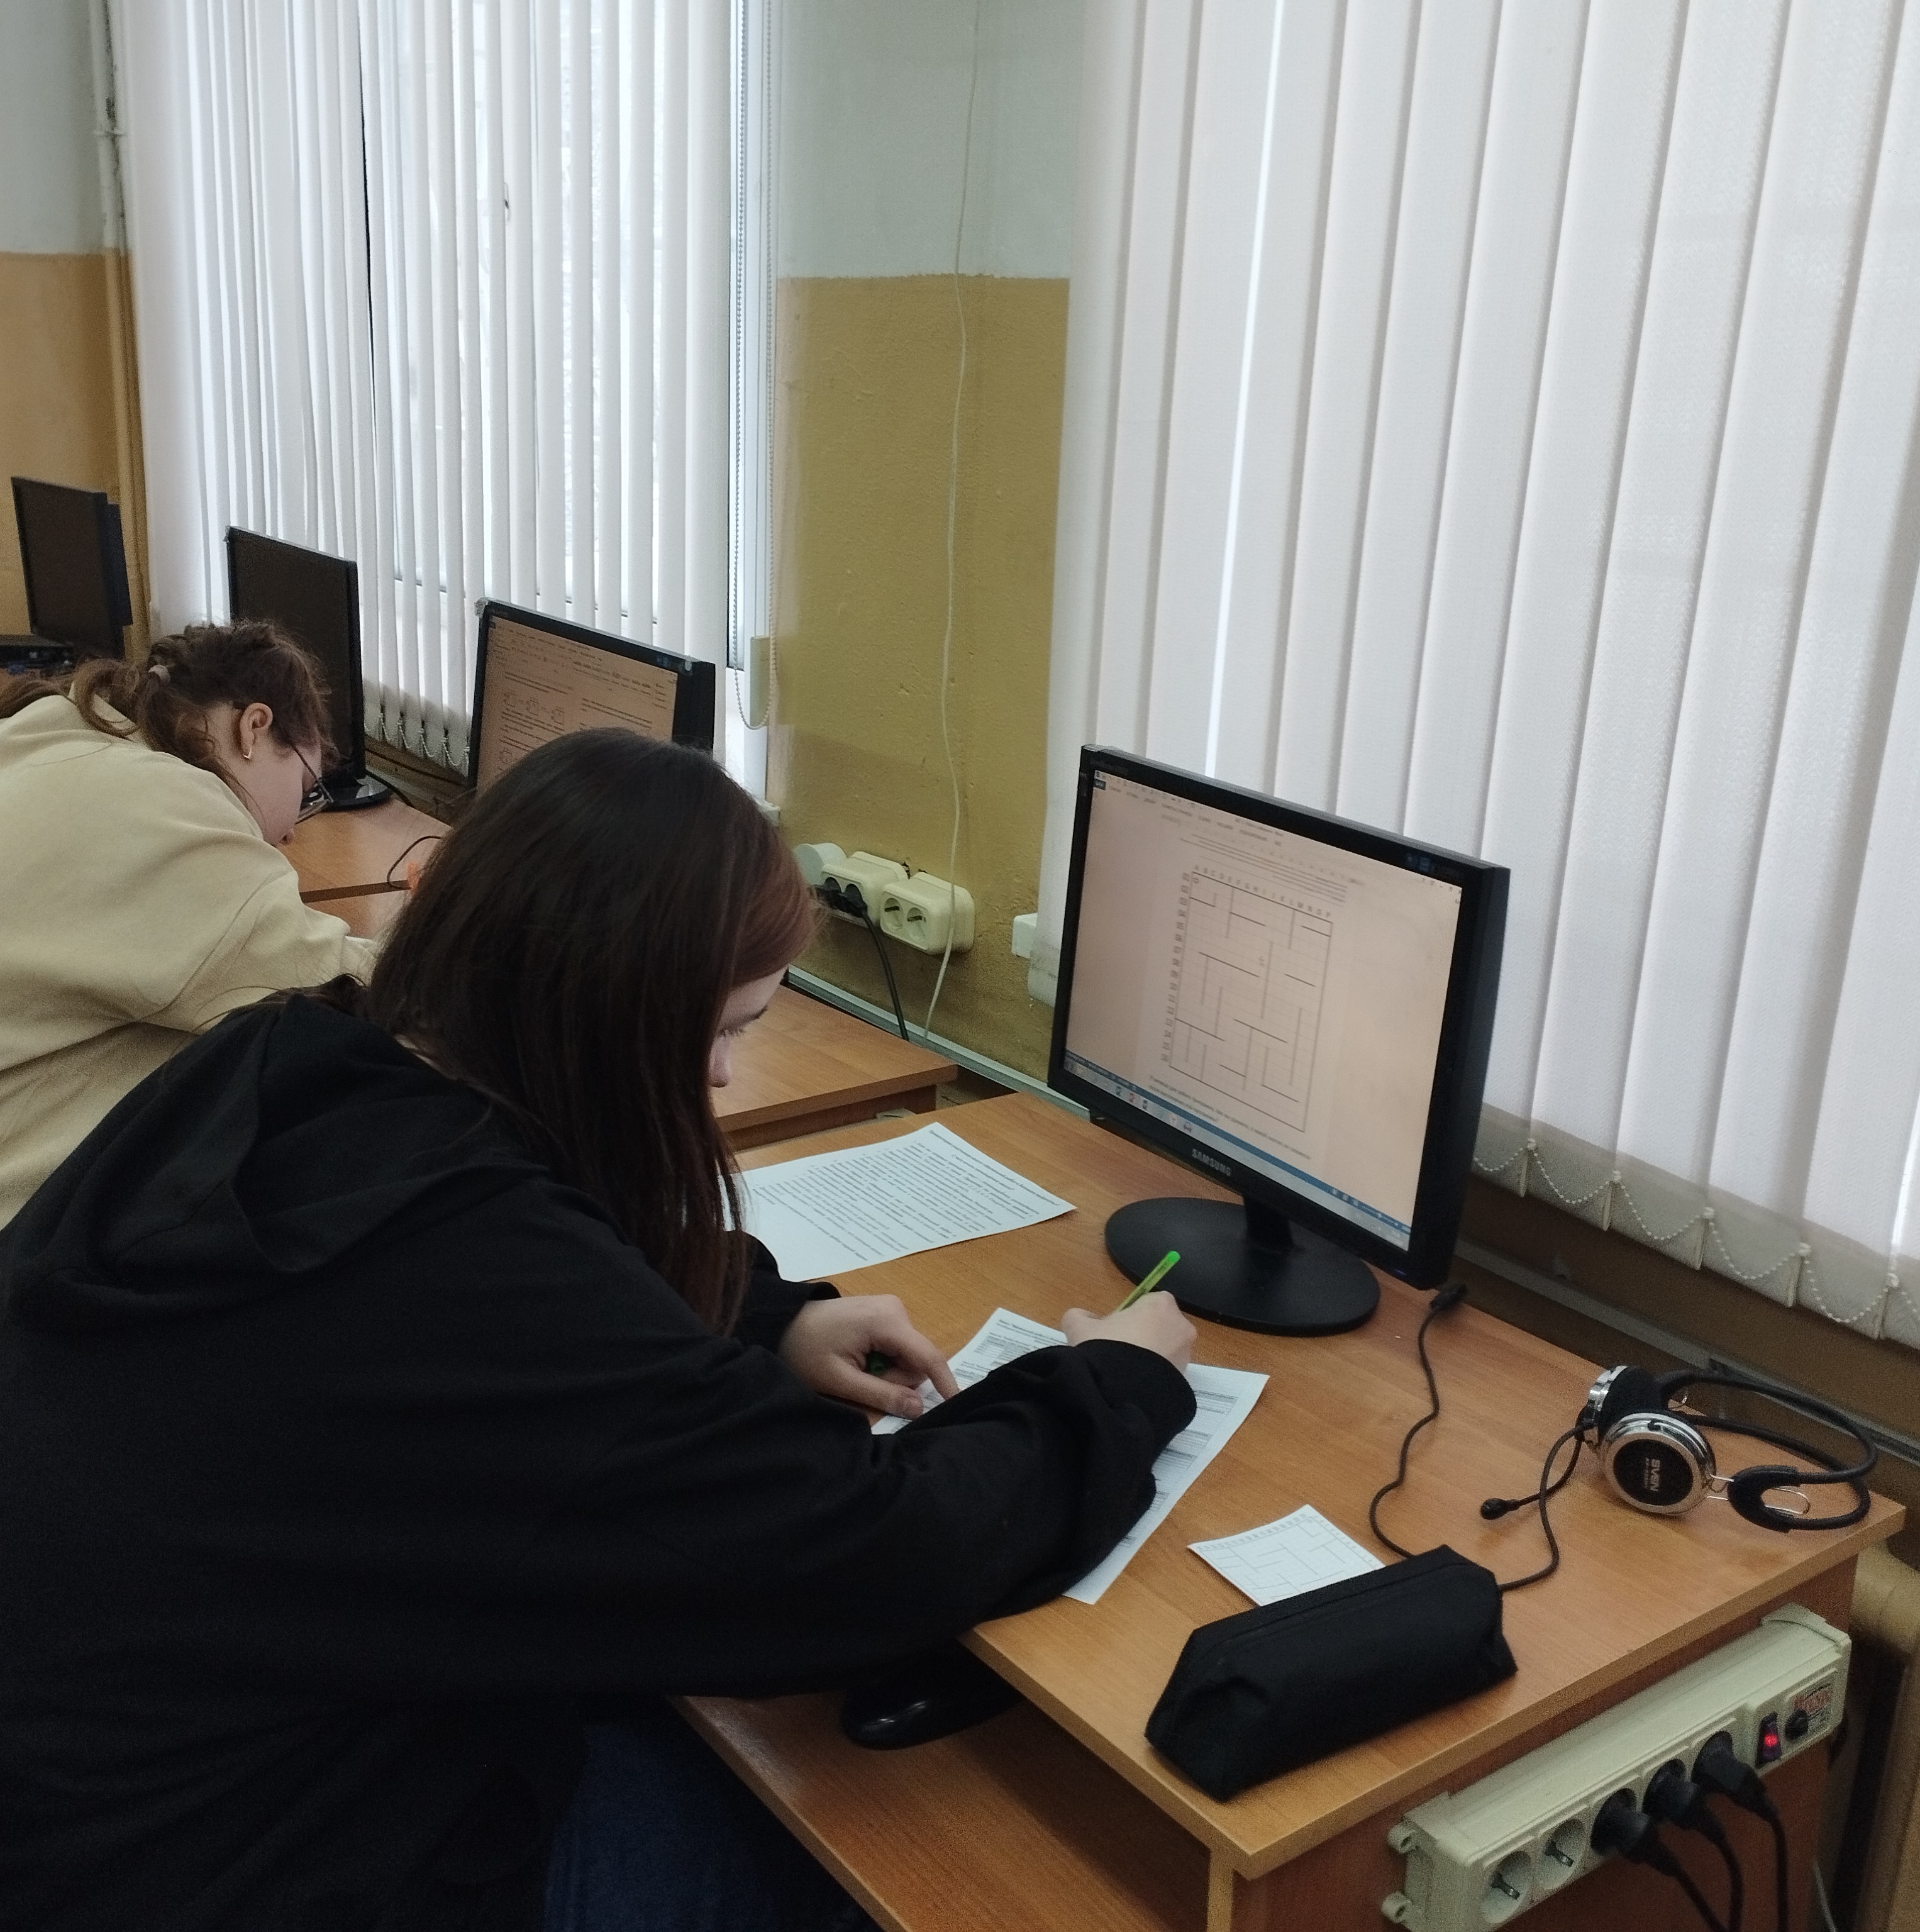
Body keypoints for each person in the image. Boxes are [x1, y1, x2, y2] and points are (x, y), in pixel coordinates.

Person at [0, 728, 1198, 1932]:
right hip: (241, 1871)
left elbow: (533, 1275)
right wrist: (1111, 1381)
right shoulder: (485, 1281)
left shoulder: (286, 1061)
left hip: (94, 1803)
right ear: (612, 1021)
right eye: (724, 1029)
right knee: (885, 1853)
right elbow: (873, 1555)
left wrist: (765, 1318)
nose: (720, 1077)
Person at [0, 623, 379, 1226]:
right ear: (254, 727)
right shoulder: (157, 805)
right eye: (307, 789)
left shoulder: (51, 733)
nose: (290, 832)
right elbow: (351, 991)